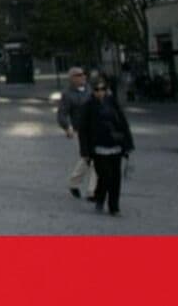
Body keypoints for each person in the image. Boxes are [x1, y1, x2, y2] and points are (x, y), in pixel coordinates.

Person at [78, 78, 135, 216]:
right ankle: (100, 197)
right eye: (97, 89)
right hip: (98, 148)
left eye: (103, 89)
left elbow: (123, 123)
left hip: (115, 145)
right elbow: (83, 130)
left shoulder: (112, 103)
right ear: (93, 91)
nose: (100, 92)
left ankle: (114, 207)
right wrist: (85, 152)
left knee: (115, 178)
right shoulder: (88, 106)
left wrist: (128, 144)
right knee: (105, 176)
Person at [56, 66, 95, 200]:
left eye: (83, 74)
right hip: (80, 130)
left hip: (94, 128)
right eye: (79, 75)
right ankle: (87, 188)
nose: (83, 76)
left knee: (93, 158)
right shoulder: (68, 94)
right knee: (87, 157)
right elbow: (62, 113)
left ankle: (89, 189)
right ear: (72, 78)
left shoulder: (90, 89)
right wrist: (67, 127)